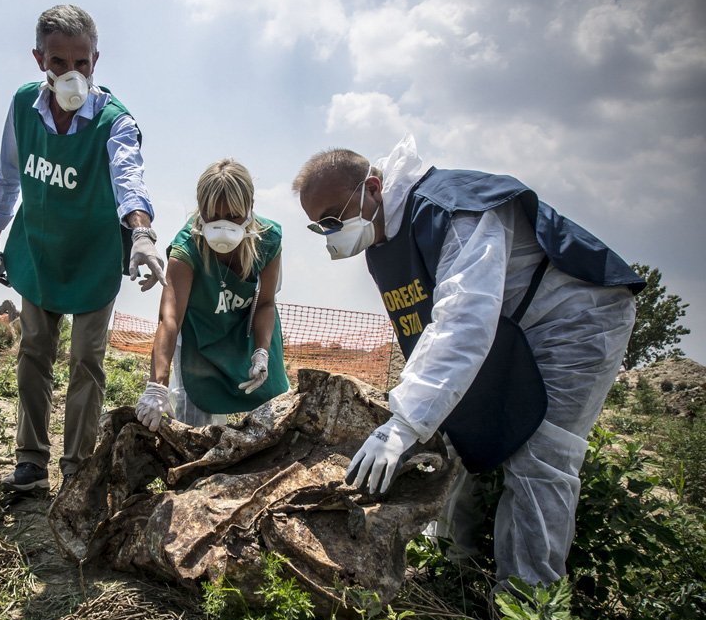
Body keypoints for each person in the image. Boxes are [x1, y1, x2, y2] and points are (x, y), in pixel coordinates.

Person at [292, 135, 644, 588]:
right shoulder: (384, 238)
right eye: (319, 226)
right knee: (457, 437)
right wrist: (424, 416)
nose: (330, 233)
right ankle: (455, 572)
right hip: (505, 326)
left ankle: (529, 611)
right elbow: (426, 329)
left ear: (374, 188)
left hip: (574, 318)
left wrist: (403, 423)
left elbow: (464, 317)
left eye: (333, 219)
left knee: (542, 453)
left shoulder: (452, 209)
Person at [0, 4, 167, 494]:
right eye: (58, 63)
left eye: (81, 63)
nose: (71, 74)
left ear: (96, 61)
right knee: (34, 353)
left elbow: (130, 180)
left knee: (87, 357)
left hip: (93, 258)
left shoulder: (114, 122)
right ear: (39, 58)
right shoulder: (24, 106)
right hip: (39, 252)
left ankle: (78, 469)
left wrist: (142, 234)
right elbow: (8, 175)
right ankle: (31, 463)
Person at [135, 159, 289, 431]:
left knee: (271, 424)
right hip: (202, 340)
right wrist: (156, 386)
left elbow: (265, 303)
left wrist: (262, 352)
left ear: (249, 208)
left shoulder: (268, 240)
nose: (222, 227)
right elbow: (169, 320)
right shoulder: (187, 248)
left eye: (233, 217)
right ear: (201, 209)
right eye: (212, 216)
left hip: (249, 332)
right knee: (196, 428)